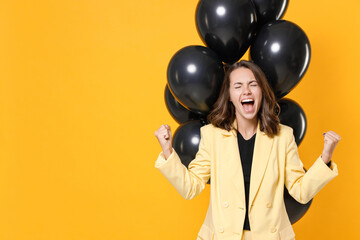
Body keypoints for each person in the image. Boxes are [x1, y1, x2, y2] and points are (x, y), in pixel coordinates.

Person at [154, 60, 340, 240]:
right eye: (238, 86)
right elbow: (190, 188)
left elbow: (301, 191)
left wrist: (326, 156)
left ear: (262, 92)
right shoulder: (212, 136)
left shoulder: (283, 136)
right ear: (230, 96)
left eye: (253, 84)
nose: (246, 91)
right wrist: (168, 151)